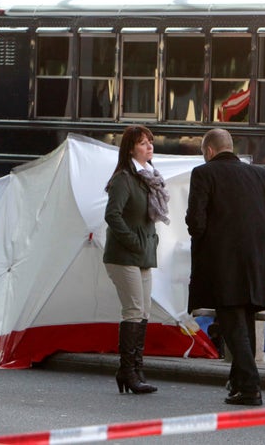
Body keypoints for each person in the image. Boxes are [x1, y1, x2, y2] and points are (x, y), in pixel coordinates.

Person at [186, 129, 265, 406]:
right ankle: (237, 384)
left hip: (222, 264)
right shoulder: (261, 174)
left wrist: (203, 239)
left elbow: (195, 221)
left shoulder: (204, 173)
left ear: (209, 151)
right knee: (244, 322)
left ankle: (250, 387)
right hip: (256, 262)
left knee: (233, 325)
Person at [103, 125, 170, 395]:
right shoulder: (124, 179)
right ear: (131, 148)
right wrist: (132, 240)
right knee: (133, 310)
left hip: (143, 254)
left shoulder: (148, 178)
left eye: (151, 142)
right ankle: (127, 371)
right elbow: (112, 215)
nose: (149, 147)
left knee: (143, 312)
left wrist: (147, 243)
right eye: (143, 143)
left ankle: (136, 370)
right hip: (123, 255)